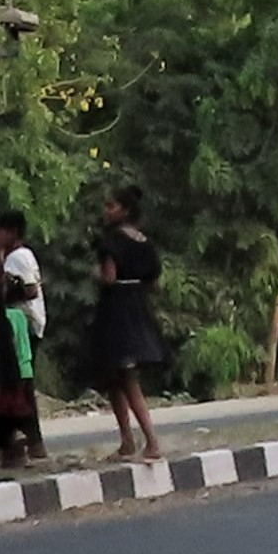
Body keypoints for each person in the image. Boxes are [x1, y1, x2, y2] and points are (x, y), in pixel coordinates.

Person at [86, 190, 163, 463]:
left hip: (116, 312)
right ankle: (127, 442)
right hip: (139, 309)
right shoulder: (146, 243)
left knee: (125, 377)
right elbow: (155, 284)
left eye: (111, 205)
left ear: (125, 210)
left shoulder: (111, 242)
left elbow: (109, 277)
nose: (106, 211)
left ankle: (150, 441)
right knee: (116, 378)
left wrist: (98, 276)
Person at [0, 206, 47, 469]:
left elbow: (30, 290)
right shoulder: (15, 256)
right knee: (22, 383)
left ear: (11, 232)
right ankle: (29, 441)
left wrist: (6, 288)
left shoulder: (18, 257)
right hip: (23, 326)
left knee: (20, 383)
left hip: (21, 326)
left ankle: (30, 439)